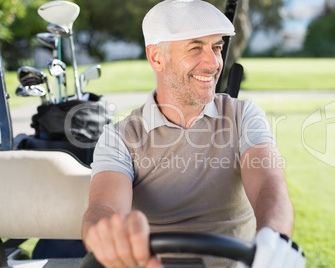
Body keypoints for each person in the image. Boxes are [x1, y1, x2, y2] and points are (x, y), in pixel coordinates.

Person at [81, 0, 306, 267]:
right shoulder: (120, 137)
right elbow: (104, 209)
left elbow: (269, 186)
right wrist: (107, 236)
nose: (213, 62)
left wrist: (274, 237)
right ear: (156, 57)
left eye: (217, 47)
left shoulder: (244, 116)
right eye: (196, 47)